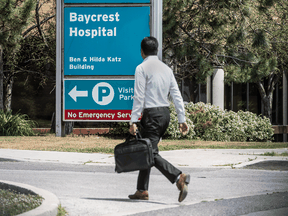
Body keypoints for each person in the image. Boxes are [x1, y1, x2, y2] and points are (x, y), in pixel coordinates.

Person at [128, 36, 190, 202]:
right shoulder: (166, 69)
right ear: (157, 50)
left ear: (142, 52)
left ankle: (178, 177)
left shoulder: (141, 68)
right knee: (148, 149)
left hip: (152, 115)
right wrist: (181, 118)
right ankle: (141, 190)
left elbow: (139, 96)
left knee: (148, 151)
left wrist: (133, 120)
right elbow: (176, 94)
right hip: (165, 114)